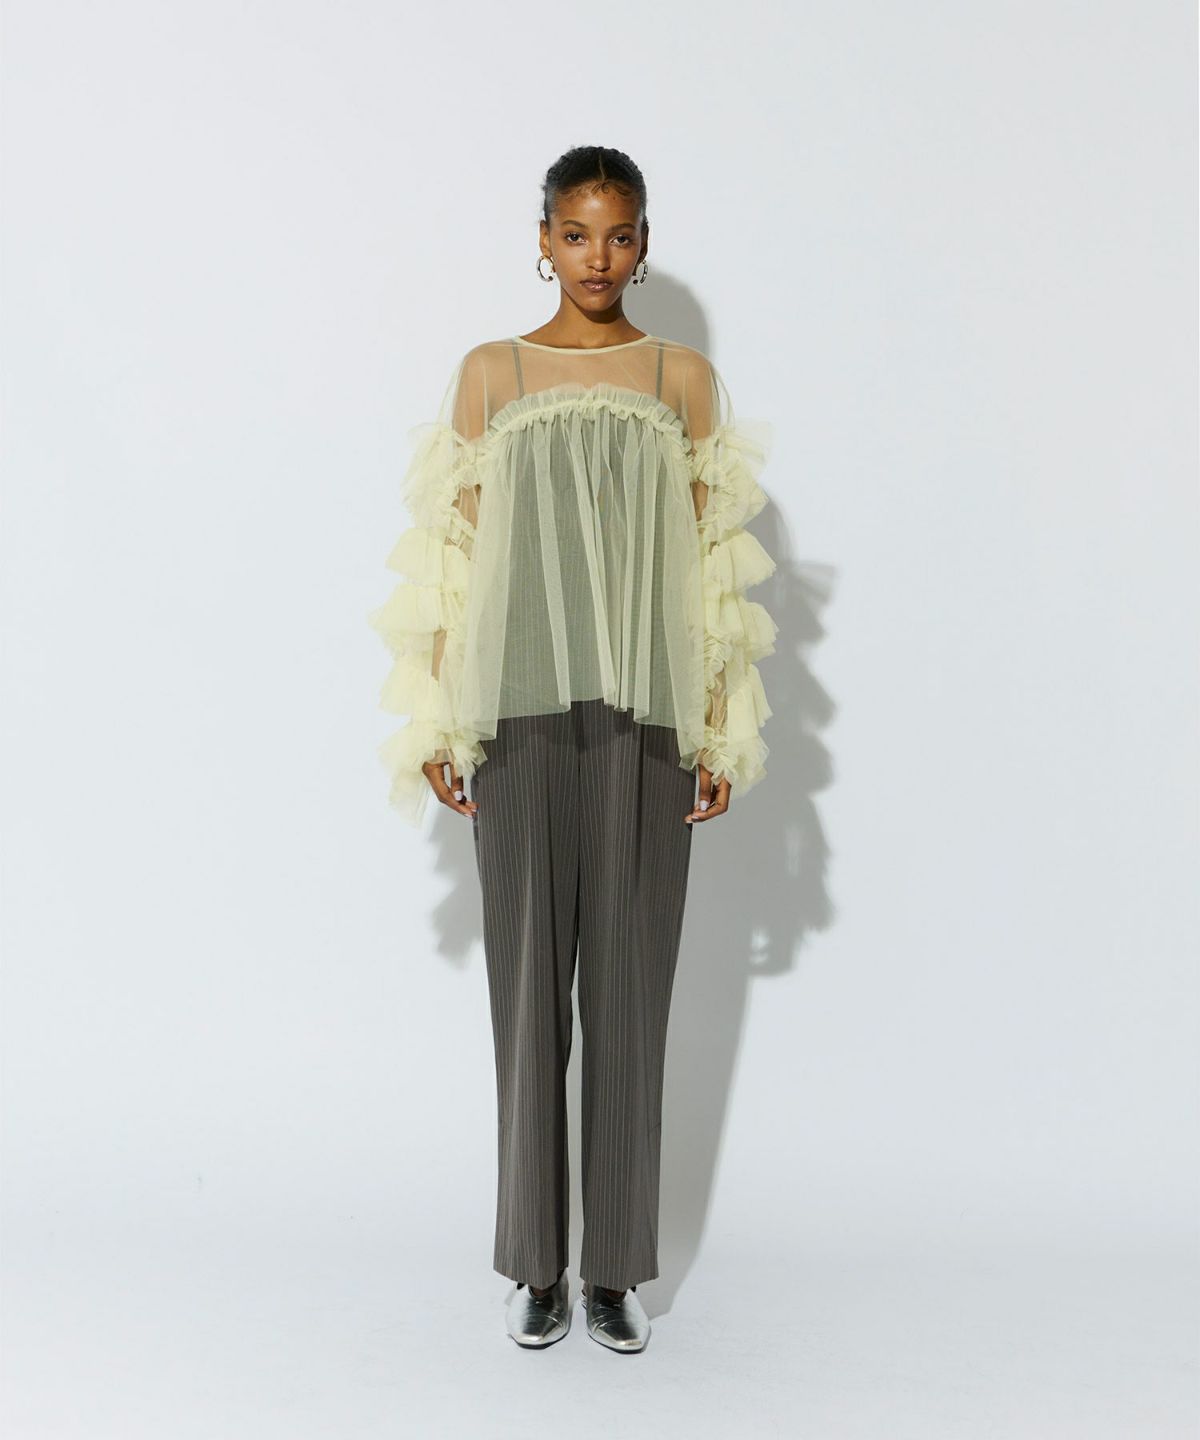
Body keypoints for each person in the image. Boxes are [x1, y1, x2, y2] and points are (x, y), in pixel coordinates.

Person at [368, 146, 778, 1353]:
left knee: (633, 991)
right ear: (542, 239)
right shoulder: (490, 373)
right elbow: (456, 552)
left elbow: (710, 560)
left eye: (621, 233)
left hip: (648, 715)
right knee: (527, 987)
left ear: (644, 244)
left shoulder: (679, 377)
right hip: (519, 714)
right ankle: (535, 1266)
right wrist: (441, 716)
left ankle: (614, 1271)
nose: (599, 256)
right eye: (577, 232)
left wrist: (717, 717)